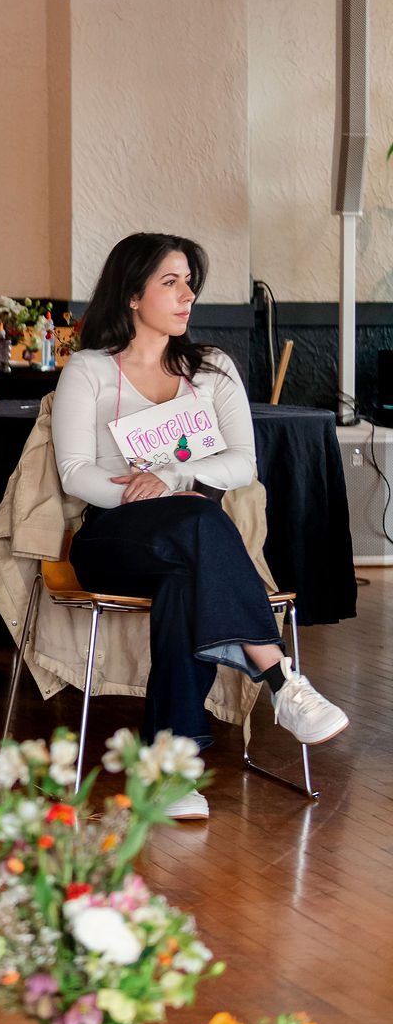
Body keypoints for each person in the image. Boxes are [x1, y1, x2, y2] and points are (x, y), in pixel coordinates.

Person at [52, 233, 347, 821]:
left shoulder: (212, 369)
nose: (187, 295)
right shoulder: (87, 370)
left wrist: (171, 472)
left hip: (188, 535)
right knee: (199, 519)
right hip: (112, 534)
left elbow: (244, 461)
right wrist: (135, 489)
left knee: (186, 575)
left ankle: (169, 773)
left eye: (190, 282)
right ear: (132, 294)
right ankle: (281, 678)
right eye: (171, 282)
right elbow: (73, 473)